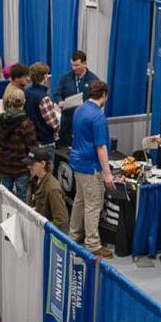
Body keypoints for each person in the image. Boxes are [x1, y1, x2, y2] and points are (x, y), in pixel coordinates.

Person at [68, 80, 116, 257]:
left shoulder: (80, 109)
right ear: (104, 95)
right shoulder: (98, 117)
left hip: (77, 163)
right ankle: (93, 244)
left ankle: (73, 235)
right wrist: (108, 173)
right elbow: (101, 147)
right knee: (93, 205)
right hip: (91, 167)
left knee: (79, 201)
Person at [0, 93, 37, 197]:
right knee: (21, 197)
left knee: (5, 196)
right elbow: (32, 147)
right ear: (24, 101)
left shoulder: (0, 119)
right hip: (21, 167)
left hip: (5, 164)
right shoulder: (27, 123)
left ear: (10, 102)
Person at [55, 49, 99, 147]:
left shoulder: (94, 80)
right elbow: (57, 94)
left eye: (76, 65)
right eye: (72, 65)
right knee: (64, 148)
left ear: (85, 64)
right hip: (67, 121)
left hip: (85, 121)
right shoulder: (65, 78)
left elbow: (97, 100)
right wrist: (59, 101)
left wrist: (86, 104)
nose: (73, 68)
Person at [26, 148, 69, 228]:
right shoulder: (34, 180)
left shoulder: (53, 188)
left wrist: (46, 229)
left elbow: (62, 220)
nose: (28, 166)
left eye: (32, 164)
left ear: (43, 164)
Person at [24, 62, 61, 146]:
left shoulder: (26, 92)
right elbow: (53, 123)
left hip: (30, 138)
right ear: (45, 76)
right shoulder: (44, 98)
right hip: (44, 141)